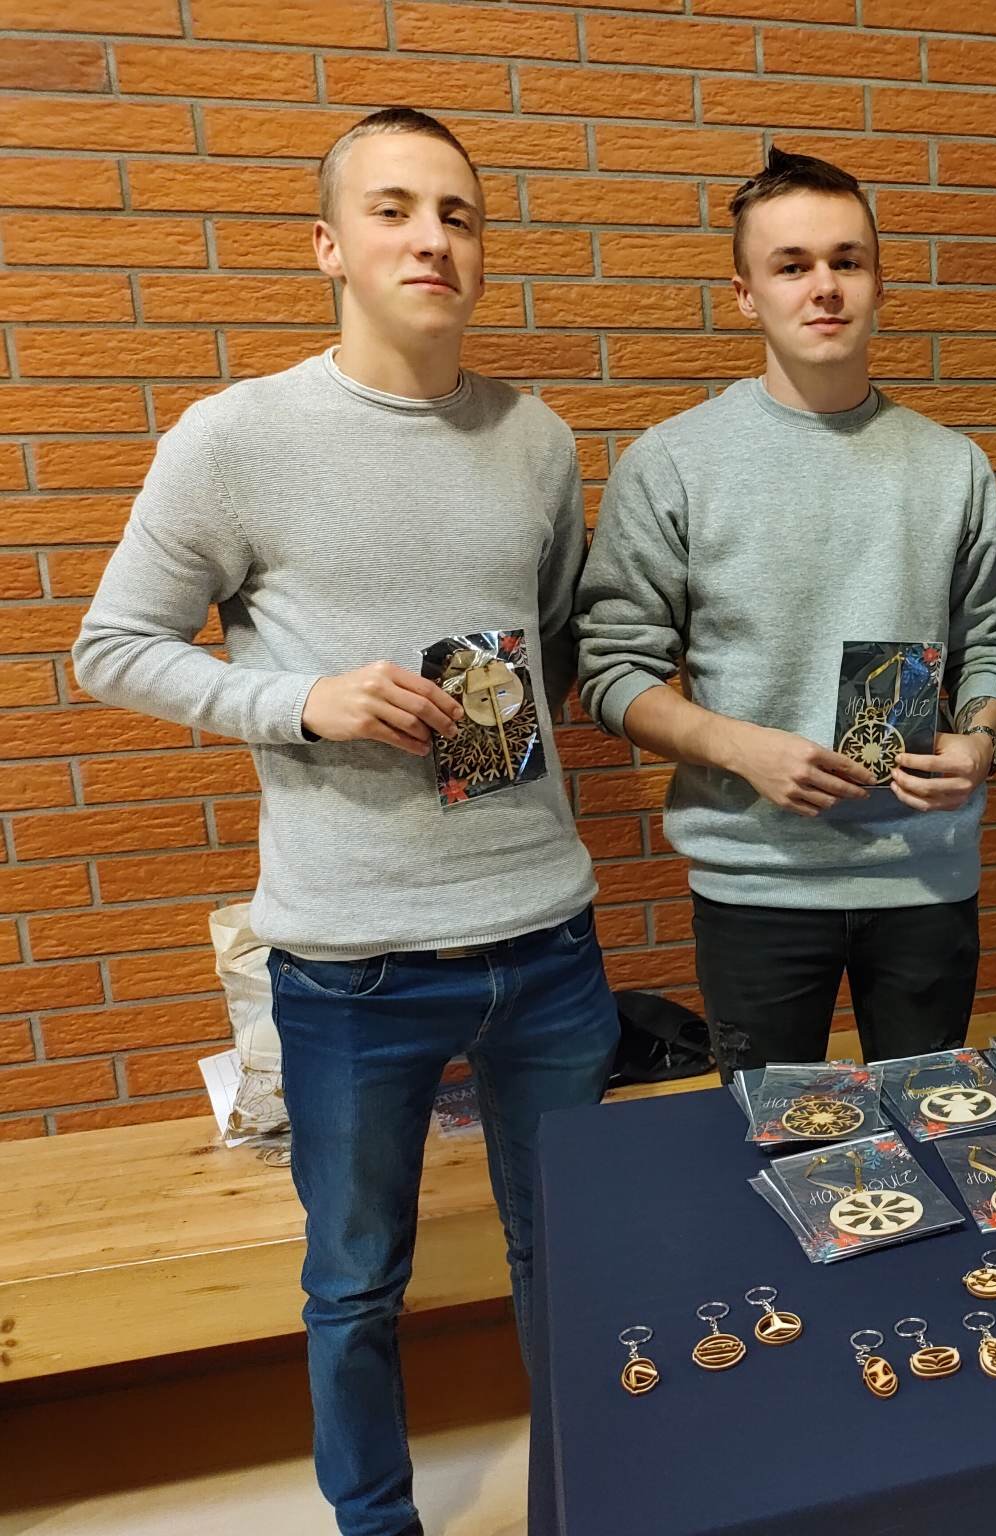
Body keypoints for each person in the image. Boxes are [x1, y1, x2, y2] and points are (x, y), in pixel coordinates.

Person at [72, 108, 615, 1536]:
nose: (432, 238)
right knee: (356, 1282)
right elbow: (111, 648)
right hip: (350, 965)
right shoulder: (236, 438)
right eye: (393, 210)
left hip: (549, 943)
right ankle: (377, 1525)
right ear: (328, 247)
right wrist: (301, 700)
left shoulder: (537, 439)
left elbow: (550, 648)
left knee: (573, 1261)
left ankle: (588, 1500)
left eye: (458, 213)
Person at [576, 148, 996, 1072]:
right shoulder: (673, 464)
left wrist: (980, 741)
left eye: (846, 261)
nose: (824, 287)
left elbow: (990, 645)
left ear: (878, 281)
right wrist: (739, 746)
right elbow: (612, 671)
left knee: (930, 1125)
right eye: (792, 266)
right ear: (746, 294)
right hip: (757, 881)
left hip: (924, 877)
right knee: (777, 1137)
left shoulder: (952, 466)